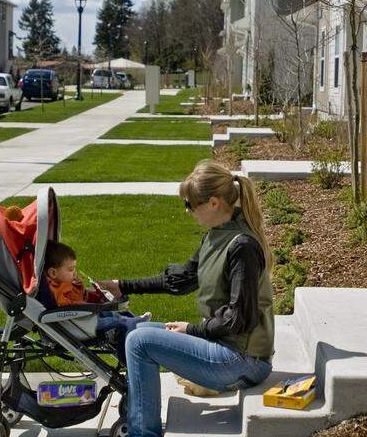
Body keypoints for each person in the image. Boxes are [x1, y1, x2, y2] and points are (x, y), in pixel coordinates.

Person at [98, 160, 275, 437]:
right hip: (226, 348)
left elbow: (239, 318)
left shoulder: (242, 246)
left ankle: (143, 433)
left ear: (213, 203)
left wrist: (192, 330)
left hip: (244, 361)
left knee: (140, 341)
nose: (187, 211)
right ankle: (140, 416)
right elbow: (180, 280)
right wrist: (123, 286)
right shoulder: (216, 236)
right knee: (137, 330)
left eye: (190, 204)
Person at [38, 239, 151, 337]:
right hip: (81, 323)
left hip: (85, 316)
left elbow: (80, 296)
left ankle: (133, 320)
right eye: (71, 269)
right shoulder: (56, 289)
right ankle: (132, 323)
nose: (74, 273)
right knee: (111, 320)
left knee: (110, 314)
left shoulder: (63, 284)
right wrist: (88, 305)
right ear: (53, 273)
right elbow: (67, 305)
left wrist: (83, 290)